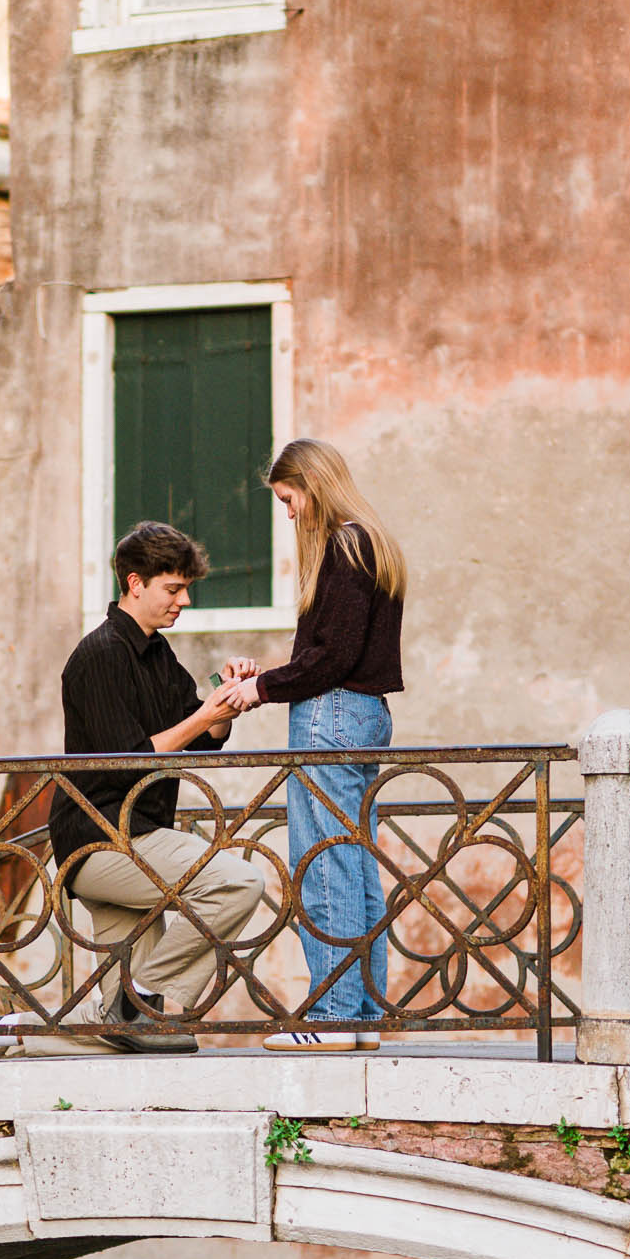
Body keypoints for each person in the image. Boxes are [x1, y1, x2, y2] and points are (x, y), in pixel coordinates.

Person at [49, 520, 266, 1054]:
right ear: (134, 583)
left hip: (134, 835)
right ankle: (141, 995)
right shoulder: (99, 655)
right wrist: (202, 719)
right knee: (238, 884)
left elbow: (202, 734)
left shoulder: (157, 653)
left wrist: (226, 692)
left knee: (129, 1039)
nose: (184, 600)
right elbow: (129, 761)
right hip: (102, 840)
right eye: (173, 588)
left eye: (186, 588)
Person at [233, 440, 406, 1052]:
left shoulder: (345, 543)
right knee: (355, 865)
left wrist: (260, 687)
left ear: (312, 484)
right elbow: (336, 653)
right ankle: (359, 1017)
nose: (288, 513)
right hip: (365, 715)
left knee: (323, 862)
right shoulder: (372, 542)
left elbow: (330, 659)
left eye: (288, 499)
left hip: (332, 713)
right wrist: (272, 679)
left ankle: (333, 1017)